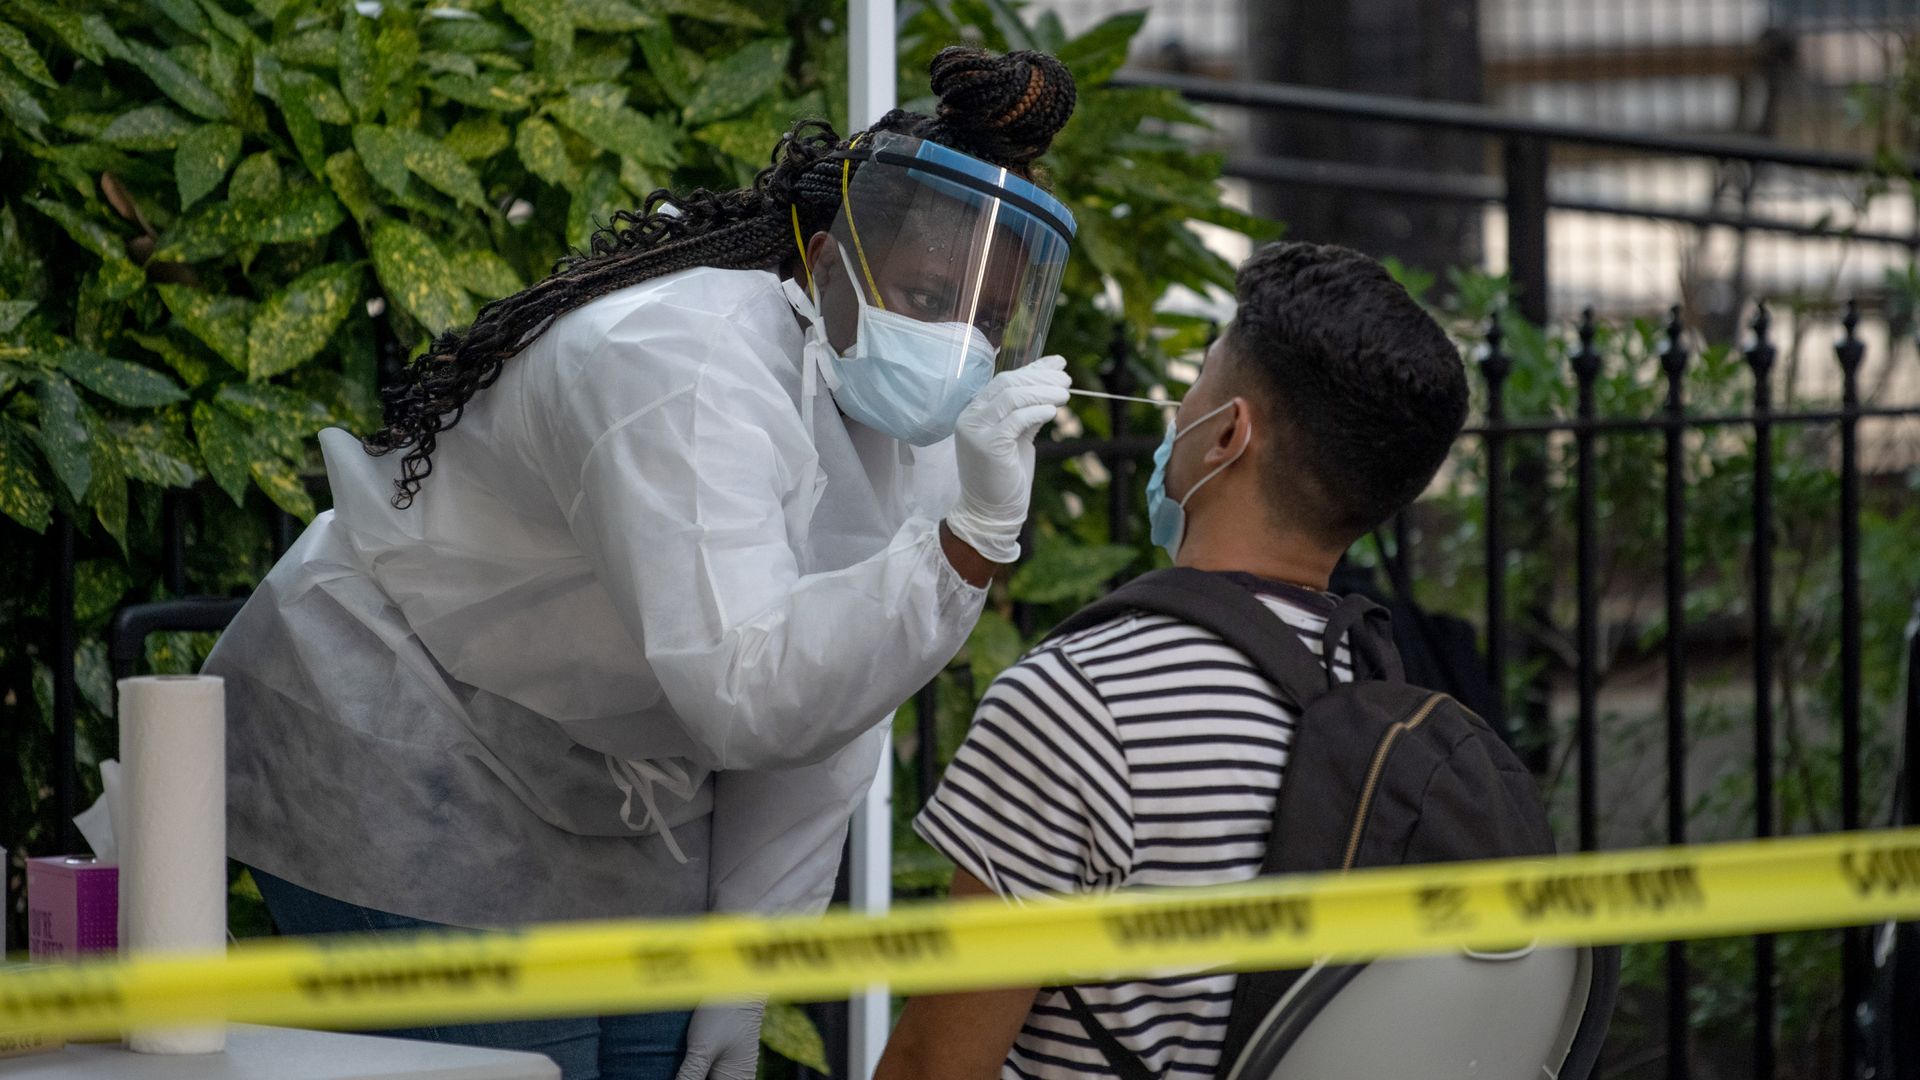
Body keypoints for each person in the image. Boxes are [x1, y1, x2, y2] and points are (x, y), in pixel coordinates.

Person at [201, 47, 1080, 1080]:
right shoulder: (680, 365)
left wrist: (741, 965)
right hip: (410, 739)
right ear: (830, 263)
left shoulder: (913, 422)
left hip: (606, 782)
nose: (960, 348)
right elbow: (747, 694)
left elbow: (833, 720)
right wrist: (968, 545)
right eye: (931, 296)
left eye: (987, 319)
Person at [874, 240, 1471, 1080]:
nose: (1175, 408)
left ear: (1228, 434)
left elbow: (935, 1067)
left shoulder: (1078, 703)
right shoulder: (1374, 692)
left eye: (1197, 381)